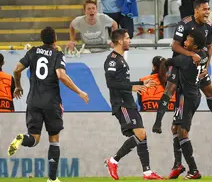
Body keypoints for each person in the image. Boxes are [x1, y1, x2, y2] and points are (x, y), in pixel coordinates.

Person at [152, 0, 212, 179]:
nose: (208, 12)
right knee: (171, 92)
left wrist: (207, 65)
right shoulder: (184, 24)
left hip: (196, 67)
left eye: (208, 9)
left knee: (210, 91)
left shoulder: (208, 26)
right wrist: (191, 55)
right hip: (182, 64)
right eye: (205, 9)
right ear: (196, 10)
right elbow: (175, 46)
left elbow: (209, 47)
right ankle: (178, 162)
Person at [8, 27, 89, 182]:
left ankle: (22, 138)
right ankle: (52, 179)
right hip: (51, 102)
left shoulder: (32, 51)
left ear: (42, 39)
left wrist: (18, 86)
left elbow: (17, 69)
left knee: (34, 139)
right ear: (55, 39)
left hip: (33, 101)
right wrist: (79, 91)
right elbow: (61, 75)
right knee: (54, 139)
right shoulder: (57, 54)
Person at [103, 29, 163, 180]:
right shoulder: (112, 60)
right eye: (128, 38)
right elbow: (111, 83)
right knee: (140, 134)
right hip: (121, 104)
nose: (130, 40)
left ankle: (147, 173)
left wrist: (141, 83)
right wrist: (132, 88)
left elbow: (123, 82)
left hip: (128, 102)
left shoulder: (121, 59)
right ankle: (113, 160)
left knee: (142, 135)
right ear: (120, 41)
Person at [164, 29, 208, 179]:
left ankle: (194, 170)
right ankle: (178, 164)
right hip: (188, 95)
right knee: (175, 128)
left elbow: (167, 61)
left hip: (187, 97)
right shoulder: (201, 55)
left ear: (195, 47)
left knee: (182, 131)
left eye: (188, 40)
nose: (184, 42)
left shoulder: (186, 59)